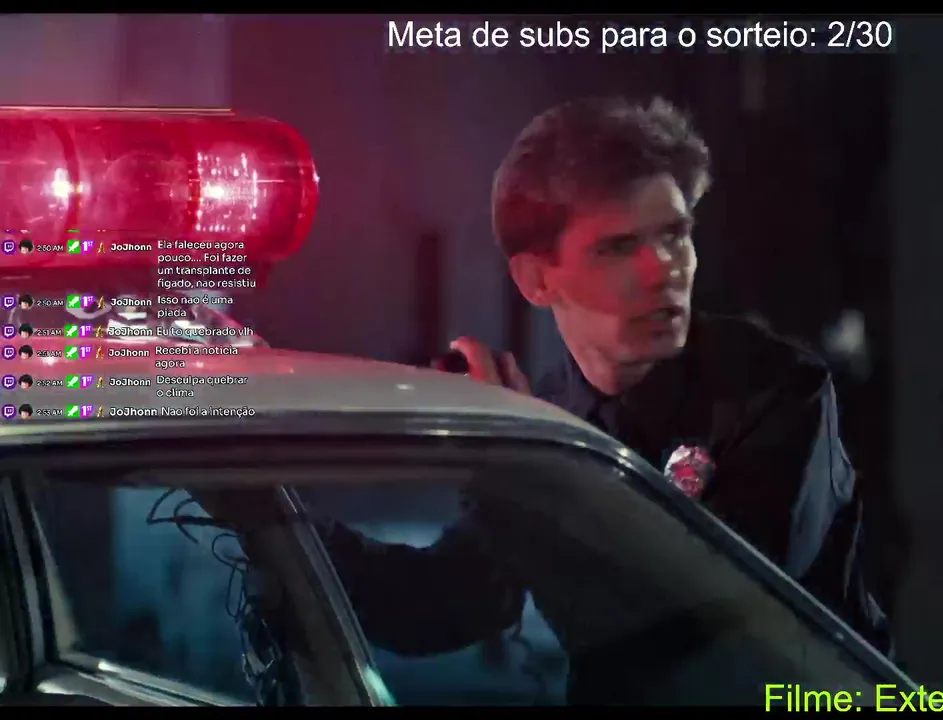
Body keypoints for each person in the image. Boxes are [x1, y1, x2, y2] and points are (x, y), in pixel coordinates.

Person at [315, 97, 891, 697]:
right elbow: (440, 605)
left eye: (674, 234)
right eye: (618, 247)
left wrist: (527, 479)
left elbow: (719, 624)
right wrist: (276, 520)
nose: (663, 268)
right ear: (537, 280)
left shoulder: (776, 389)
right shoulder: (552, 413)